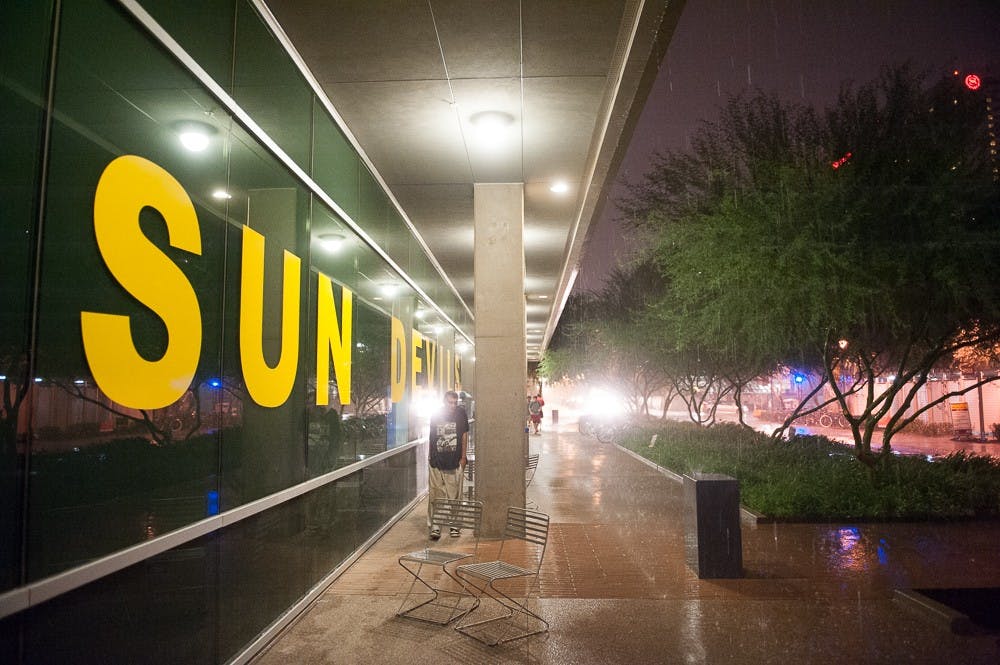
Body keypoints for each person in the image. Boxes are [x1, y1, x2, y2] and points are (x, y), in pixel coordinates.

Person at [427, 390, 469, 540]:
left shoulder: (460, 414)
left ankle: (455, 525)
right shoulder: (436, 414)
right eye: (450, 402)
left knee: (455, 495)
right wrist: (431, 456)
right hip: (437, 461)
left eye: (455, 402)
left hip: (455, 460)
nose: (453, 405)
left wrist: (463, 457)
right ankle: (436, 526)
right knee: (436, 494)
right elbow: (432, 436)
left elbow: (464, 435)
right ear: (444, 402)